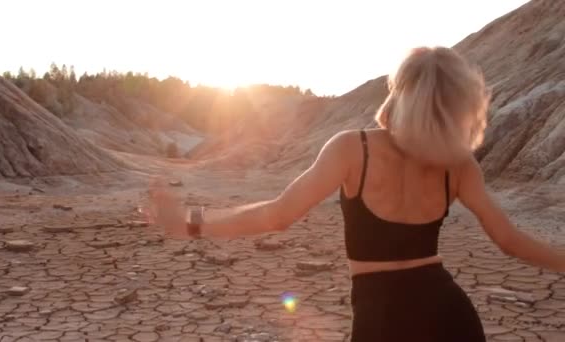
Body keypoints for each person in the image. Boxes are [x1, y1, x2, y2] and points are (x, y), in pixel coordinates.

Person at [143, 46, 565, 342]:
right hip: (450, 314)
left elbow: (277, 215)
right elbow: (508, 240)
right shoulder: (458, 165)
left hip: (381, 320)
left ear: (399, 91)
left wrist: (190, 224)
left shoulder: (352, 148)